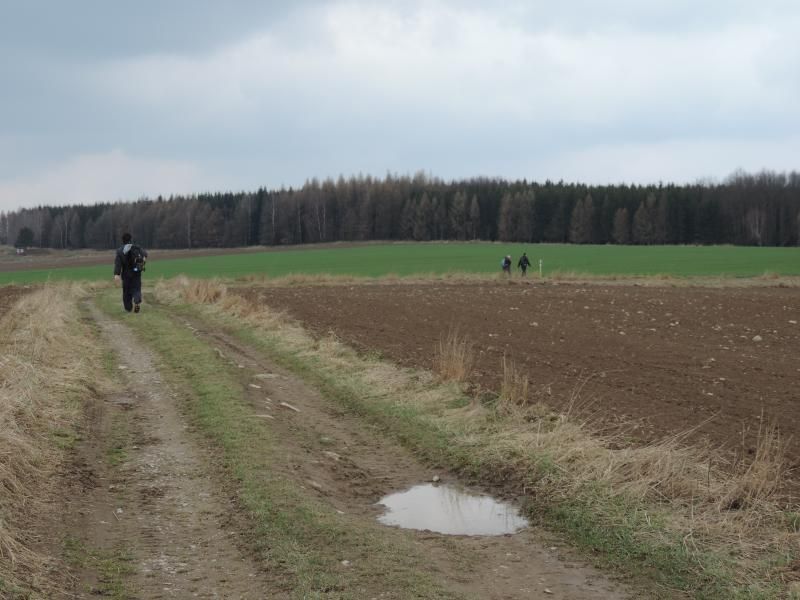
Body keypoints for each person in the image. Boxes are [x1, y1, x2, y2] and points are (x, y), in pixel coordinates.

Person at [114, 232, 148, 313]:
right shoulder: (137, 248)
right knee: (136, 289)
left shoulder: (120, 251)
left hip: (126, 275)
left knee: (126, 291)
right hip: (136, 272)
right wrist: (143, 261)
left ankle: (128, 308)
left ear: (123, 241)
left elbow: (118, 264)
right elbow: (145, 254)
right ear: (130, 239)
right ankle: (137, 301)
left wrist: (116, 274)